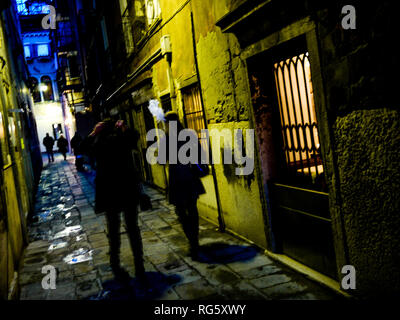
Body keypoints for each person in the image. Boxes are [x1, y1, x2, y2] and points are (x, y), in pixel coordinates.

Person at [89, 119, 146, 282]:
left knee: (113, 231)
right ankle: (139, 264)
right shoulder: (123, 140)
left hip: (110, 194)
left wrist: (94, 132)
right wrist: (124, 127)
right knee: (133, 228)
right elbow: (134, 135)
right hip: (128, 191)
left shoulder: (99, 144)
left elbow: (81, 147)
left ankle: (115, 262)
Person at [164, 111, 206, 260]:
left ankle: (192, 241)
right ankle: (194, 241)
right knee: (191, 210)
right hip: (190, 178)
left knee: (182, 212)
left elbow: (163, 159)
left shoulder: (167, 138)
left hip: (178, 179)